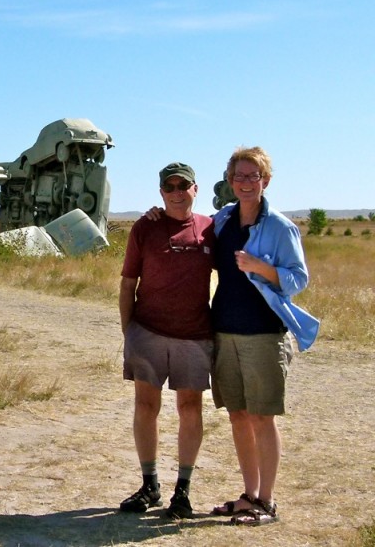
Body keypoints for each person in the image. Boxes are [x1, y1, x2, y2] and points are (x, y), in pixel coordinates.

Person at [208, 146, 319, 526]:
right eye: (238, 176)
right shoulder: (222, 220)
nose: (244, 182)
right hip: (224, 330)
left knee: (262, 417)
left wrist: (263, 268)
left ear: (265, 181)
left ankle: (267, 502)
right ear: (229, 181)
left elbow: (298, 279)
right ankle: (249, 495)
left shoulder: (280, 227)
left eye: (252, 176)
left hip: (263, 333)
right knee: (238, 415)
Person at [118, 162, 216, 519]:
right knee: (146, 407)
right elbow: (128, 283)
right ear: (161, 191)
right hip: (148, 333)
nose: (176, 192)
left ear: (195, 189)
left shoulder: (210, 228)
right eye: (169, 186)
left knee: (190, 409)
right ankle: (150, 485)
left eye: (183, 185)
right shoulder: (146, 227)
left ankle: (183, 492)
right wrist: (129, 331)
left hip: (194, 335)